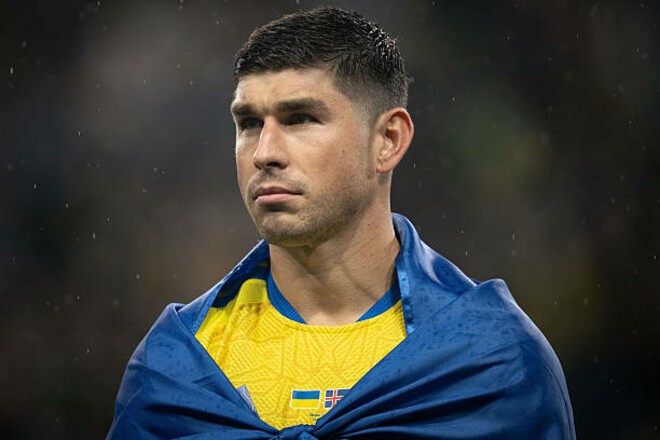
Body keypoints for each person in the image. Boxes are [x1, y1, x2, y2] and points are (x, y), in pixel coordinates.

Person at [107, 6, 575, 439]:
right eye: (249, 123)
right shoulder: (173, 369)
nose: (264, 153)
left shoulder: (490, 362)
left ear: (387, 140)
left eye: (300, 118)